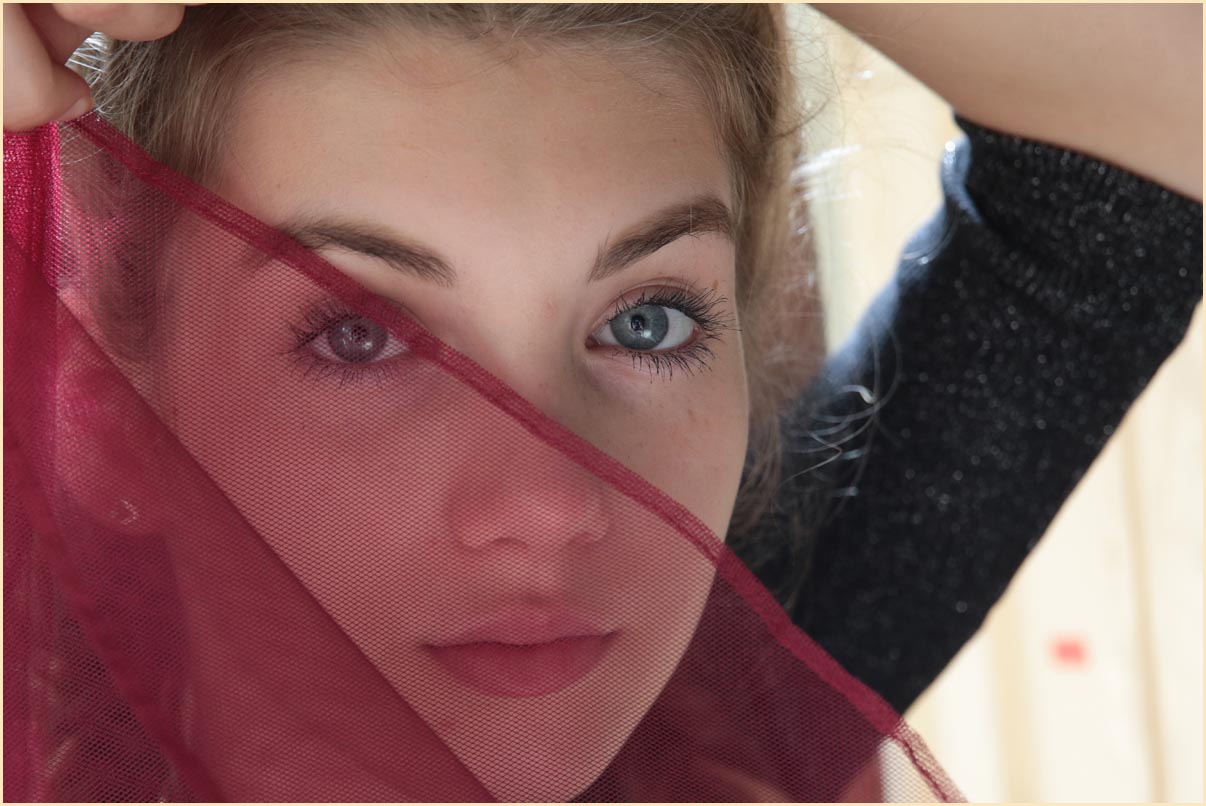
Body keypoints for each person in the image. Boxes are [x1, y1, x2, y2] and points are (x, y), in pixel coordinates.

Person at [3, 3, 1199, 801]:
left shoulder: (716, 712)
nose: (551, 503)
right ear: (106, 407)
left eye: (647, 322)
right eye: (360, 335)